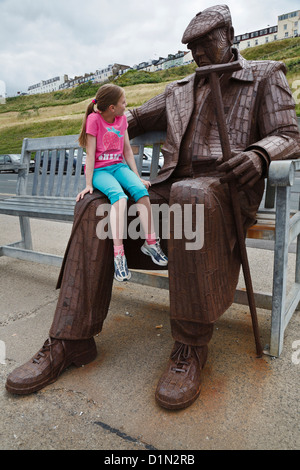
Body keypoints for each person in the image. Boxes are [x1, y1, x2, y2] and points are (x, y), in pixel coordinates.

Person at [6, 5, 300, 410]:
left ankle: (191, 347)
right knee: (94, 206)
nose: (197, 50)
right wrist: (101, 110)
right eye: (191, 45)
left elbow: (288, 133)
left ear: (229, 34)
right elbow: (132, 119)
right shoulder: (179, 89)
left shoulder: (264, 75)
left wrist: (259, 155)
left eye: (205, 41)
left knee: (192, 195)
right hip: (171, 191)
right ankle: (70, 341)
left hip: (224, 191)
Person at [76, 84, 167, 282]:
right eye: (123, 102)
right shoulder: (94, 119)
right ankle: (119, 255)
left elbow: (127, 150)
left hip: (119, 167)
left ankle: (151, 242)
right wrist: (88, 183)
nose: (126, 105)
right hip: (101, 170)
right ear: (111, 108)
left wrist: (137, 177)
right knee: (120, 197)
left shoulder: (122, 119)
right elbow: (90, 154)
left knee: (141, 192)